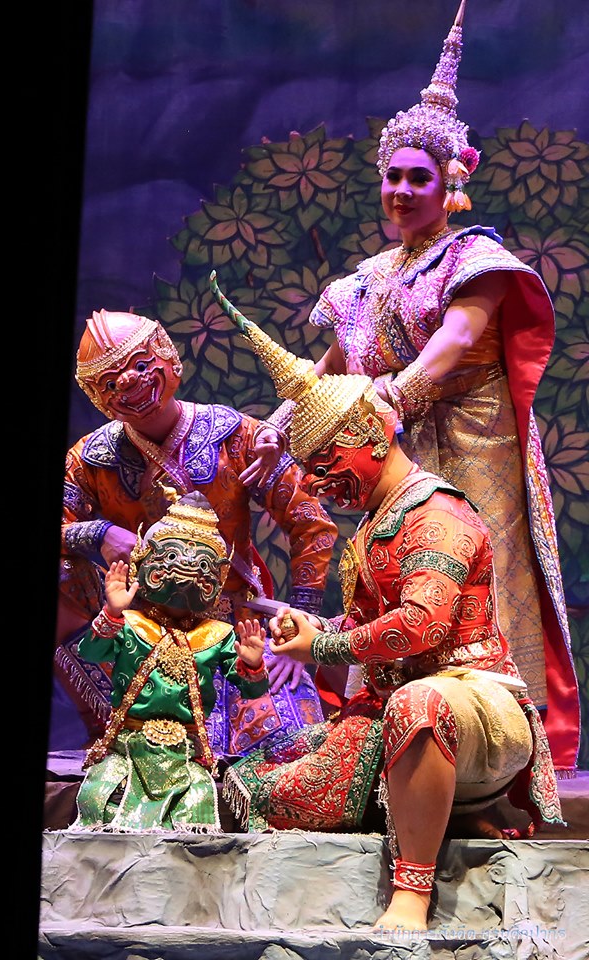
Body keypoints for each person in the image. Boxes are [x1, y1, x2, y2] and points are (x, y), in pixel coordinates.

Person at [260, 0, 579, 775]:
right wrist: (275, 423)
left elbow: (457, 341)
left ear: (449, 184)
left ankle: (509, 757)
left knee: (475, 584)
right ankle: (387, 740)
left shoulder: (475, 259)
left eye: (418, 178)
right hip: (393, 457)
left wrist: (392, 397)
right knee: (392, 581)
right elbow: (332, 366)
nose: (402, 190)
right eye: (393, 177)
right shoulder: (365, 280)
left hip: (474, 448)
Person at [208, 273, 564, 932]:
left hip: (472, 703)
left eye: (324, 462)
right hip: (393, 706)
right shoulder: (376, 523)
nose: (318, 483)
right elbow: (367, 626)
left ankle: (413, 891)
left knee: (415, 704)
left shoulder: (435, 514)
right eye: (309, 469)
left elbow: (421, 626)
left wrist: (322, 644)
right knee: (259, 774)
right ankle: (437, 817)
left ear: (371, 435)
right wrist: (310, 626)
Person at [56, 307, 337, 759]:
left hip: (234, 626)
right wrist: (99, 533)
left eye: (140, 365)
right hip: (137, 630)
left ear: (168, 356)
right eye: (109, 382)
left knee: (289, 751)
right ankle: (105, 722)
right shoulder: (91, 458)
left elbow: (310, 521)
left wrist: (299, 630)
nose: (128, 382)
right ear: (95, 396)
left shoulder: (236, 436)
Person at [73, 489, 268, 832]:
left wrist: (252, 664)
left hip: (186, 753)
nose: (187, 571)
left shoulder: (217, 635)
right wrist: (112, 612)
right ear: (146, 566)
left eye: (202, 567)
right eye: (173, 560)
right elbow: (89, 653)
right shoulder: (130, 624)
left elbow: (252, 691)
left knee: (196, 805)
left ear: (217, 580)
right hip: (127, 748)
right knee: (99, 798)